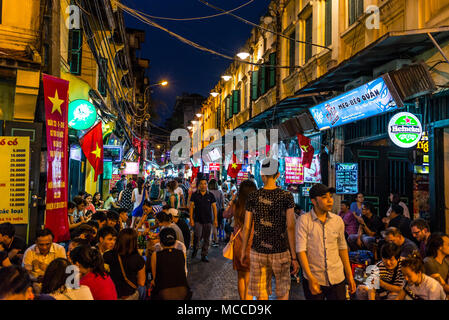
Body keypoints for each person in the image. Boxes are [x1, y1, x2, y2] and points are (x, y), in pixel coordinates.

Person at [241, 158, 299, 300]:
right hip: (281, 250)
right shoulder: (286, 196)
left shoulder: (253, 196)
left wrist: (243, 251)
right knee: (283, 292)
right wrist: (294, 256)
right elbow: (290, 227)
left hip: (258, 251)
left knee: (261, 295)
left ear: (262, 175)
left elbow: (247, 226)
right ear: (278, 175)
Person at [296, 183, 356, 300]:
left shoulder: (337, 221)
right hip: (314, 277)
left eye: (330, 197)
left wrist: (349, 276)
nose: (330, 201)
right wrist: (310, 277)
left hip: (337, 277)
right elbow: (301, 250)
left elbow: (342, 249)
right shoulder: (304, 221)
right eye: (324, 197)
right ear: (313, 201)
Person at [223, 179, 257, 300]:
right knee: (248, 278)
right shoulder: (257, 206)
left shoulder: (236, 205)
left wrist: (232, 199)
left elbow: (225, 215)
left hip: (238, 245)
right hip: (252, 244)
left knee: (241, 276)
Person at [103, 229, 146, 300]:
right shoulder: (138, 259)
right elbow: (141, 282)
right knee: (143, 289)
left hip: (113, 293)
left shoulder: (107, 255)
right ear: (134, 242)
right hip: (129, 295)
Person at [150, 227, 191, 300]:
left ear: (160, 242)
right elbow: (184, 271)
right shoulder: (181, 253)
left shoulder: (155, 255)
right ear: (175, 241)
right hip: (184, 293)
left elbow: (155, 278)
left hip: (163, 294)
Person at [189, 178, 218, 262]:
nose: (203, 185)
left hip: (208, 220)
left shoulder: (211, 195)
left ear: (207, 185)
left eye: (205, 184)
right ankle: (195, 249)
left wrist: (215, 219)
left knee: (206, 238)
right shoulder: (195, 195)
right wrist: (191, 218)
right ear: (199, 185)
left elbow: (214, 208)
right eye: (201, 184)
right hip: (197, 219)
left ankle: (204, 255)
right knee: (197, 236)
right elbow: (191, 207)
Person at [209, 179, 224, 247]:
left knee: (211, 226)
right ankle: (216, 240)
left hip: (210, 211)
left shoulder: (208, 192)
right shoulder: (220, 192)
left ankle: (211, 240)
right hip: (218, 211)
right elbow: (222, 203)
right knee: (216, 225)